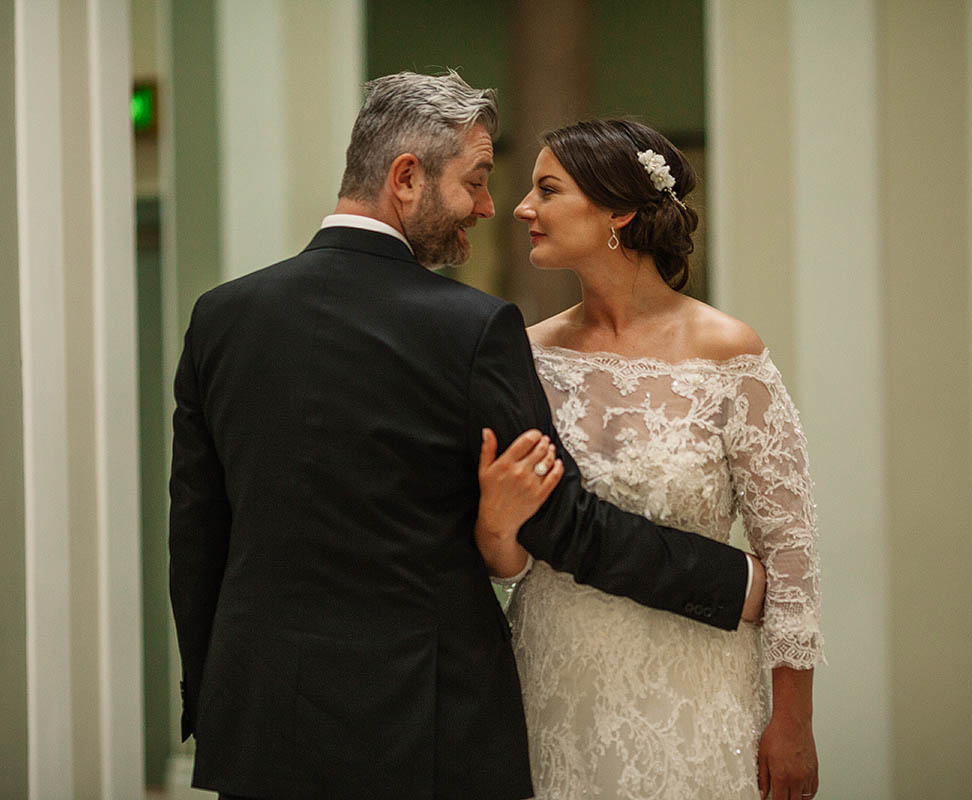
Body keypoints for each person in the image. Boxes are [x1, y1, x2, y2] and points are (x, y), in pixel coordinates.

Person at [169, 72, 766, 800]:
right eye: (477, 180)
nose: (489, 207)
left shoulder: (221, 317)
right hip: (424, 725)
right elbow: (561, 520)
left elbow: (196, 537)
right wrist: (729, 580)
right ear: (407, 178)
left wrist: (214, 698)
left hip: (258, 723)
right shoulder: (470, 327)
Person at [475, 119, 824, 800]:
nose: (521, 209)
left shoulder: (727, 354)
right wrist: (495, 526)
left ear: (620, 212)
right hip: (553, 681)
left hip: (695, 685)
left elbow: (792, 556)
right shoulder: (525, 356)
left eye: (546, 189)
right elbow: (510, 557)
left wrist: (794, 722)